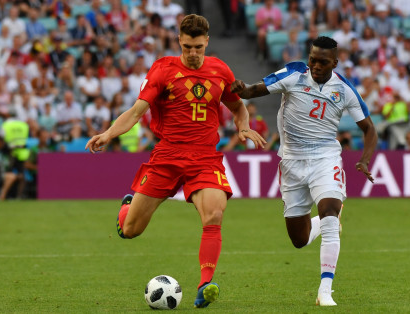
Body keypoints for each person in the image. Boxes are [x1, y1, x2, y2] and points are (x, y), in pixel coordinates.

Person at [85, 14, 266, 308]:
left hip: (205, 157)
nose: (193, 54)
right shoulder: (162, 70)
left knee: (214, 216)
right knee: (130, 231)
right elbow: (135, 112)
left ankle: (205, 284)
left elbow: (238, 108)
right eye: (187, 47)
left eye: (198, 47)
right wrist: (108, 134)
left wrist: (243, 126)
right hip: (167, 155)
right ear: (179, 41)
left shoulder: (221, 71)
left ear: (207, 42)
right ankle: (127, 207)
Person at [231, 36, 378, 306]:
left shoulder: (344, 90)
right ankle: (322, 223)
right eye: (312, 59)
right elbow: (253, 90)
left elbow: (369, 129)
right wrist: (242, 88)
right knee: (298, 240)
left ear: (334, 62)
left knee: (330, 209)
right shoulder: (294, 73)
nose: (315, 66)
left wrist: (365, 159)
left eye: (322, 62)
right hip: (292, 162)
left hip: (325, 158)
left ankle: (325, 290)